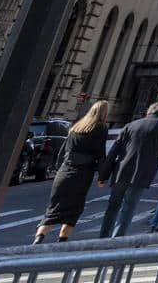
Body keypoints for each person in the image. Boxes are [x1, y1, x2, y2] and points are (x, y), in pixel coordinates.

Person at [97, 102, 158, 238]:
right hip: (142, 173)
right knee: (128, 208)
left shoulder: (131, 125)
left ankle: (103, 237)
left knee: (112, 206)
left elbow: (114, 151)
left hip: (121, 170)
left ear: (148, 112)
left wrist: (103, 175)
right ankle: (117, 239)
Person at [35, 101, 110, 244]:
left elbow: (63, 152)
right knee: (74, 209)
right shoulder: (101, 128)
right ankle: (62, 241)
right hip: (82, 173)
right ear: (104, 113)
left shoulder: (76, 127)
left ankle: (38, 240)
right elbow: (100, 154)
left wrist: (58, 170)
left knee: (53, 209)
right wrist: (102, 176)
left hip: (64, 171)